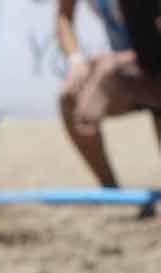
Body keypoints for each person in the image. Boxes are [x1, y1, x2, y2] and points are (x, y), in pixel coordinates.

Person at [57, 0, 161, 188]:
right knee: (72, 100)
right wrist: (76, 61)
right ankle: (112, 192)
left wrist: (119, 63)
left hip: (148, 66)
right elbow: (63, 17)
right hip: (134, 68)